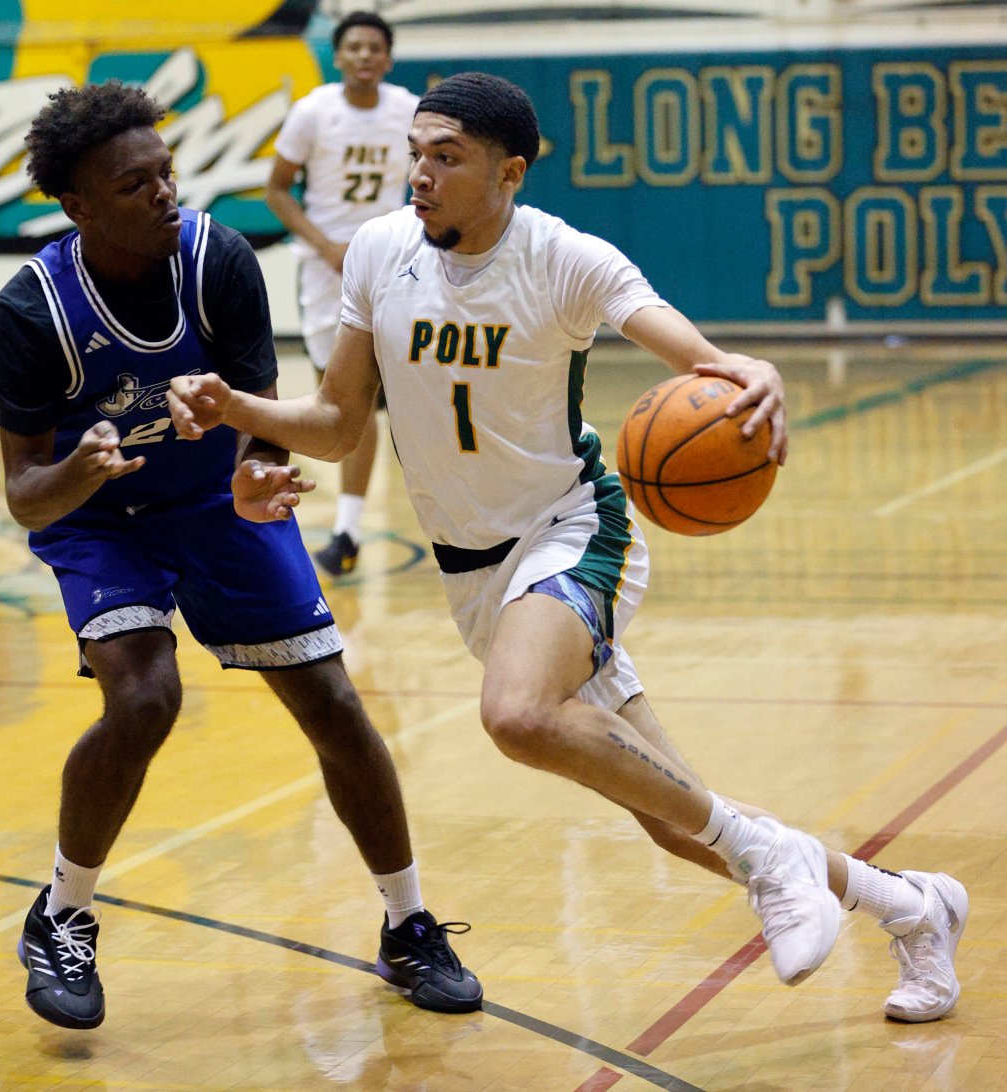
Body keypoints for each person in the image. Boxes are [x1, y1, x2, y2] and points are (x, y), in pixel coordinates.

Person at [170, 72, 968, 1022]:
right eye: (415, 154)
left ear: (509, 172)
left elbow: (701, 359)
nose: (419, 174)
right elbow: (342, 423)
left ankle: (770, 860)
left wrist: (743, 367)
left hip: (573, 530)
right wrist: (238, 411)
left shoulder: (569, 260)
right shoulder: (379, 253)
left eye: (446, 157)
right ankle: (916, 906)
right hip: (474, 574)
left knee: (514, 713)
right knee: (678, 821)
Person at [0, 81, 482, 1031]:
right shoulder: (30, 310)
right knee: (144, 696)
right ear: (78, 205)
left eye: (166, 174)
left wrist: (260, 470)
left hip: (216, 501)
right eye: (133, 187)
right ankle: (62, 914)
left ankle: (408, 923)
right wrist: (80, 472)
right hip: (101, 519)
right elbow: (22, 494)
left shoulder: (218, 260)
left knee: (334, 703)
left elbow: (262, 409)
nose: (163, 194)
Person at [265, 10, 419, 577]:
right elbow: (277, 191)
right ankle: (346, 529)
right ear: (338, 56)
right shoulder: (313, 112)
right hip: (329, 274)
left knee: (384, 401)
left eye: (374, 47)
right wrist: (325, 244)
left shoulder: (407, 110)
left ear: (387, 57)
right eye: (353, 47)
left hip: (393, 264)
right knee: (346, 403)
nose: (363, 56)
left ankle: (348, 529)